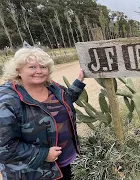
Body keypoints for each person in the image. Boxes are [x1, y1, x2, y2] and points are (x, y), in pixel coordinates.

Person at [0, 47, 85, 180]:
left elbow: (65, 100)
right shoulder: (7, 101)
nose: (39, 71)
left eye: (43, 67)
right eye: (32, 67)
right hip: (33, 173)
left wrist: (78, 83)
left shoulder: (52, 87)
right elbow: (4, 147)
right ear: (18, 70)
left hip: (62, 165)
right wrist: (43, 154)